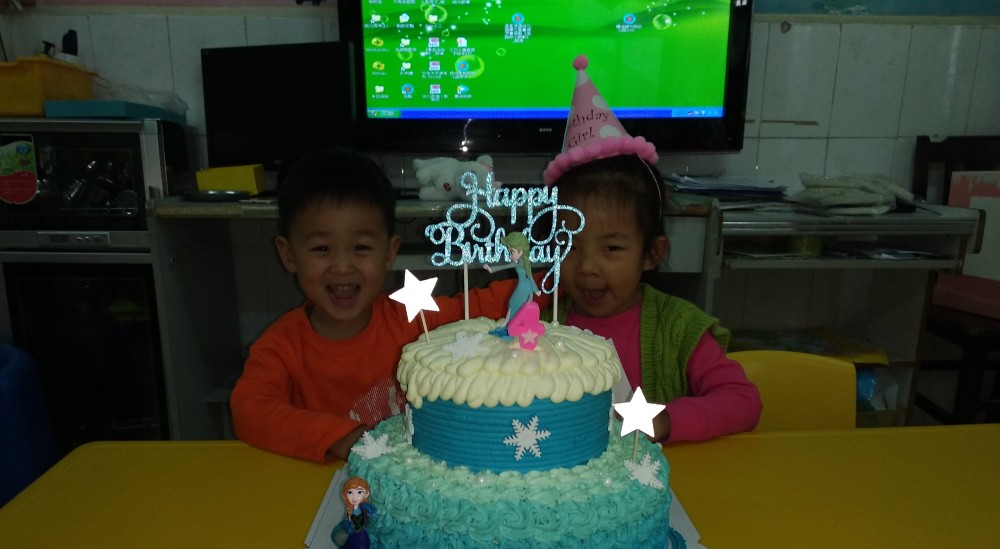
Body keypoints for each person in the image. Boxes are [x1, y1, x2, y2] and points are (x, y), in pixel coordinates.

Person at [230, 147, 518, 463]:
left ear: (389, 253)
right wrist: (340, 437)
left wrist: (548, 280)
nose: (342, 267)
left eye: (361, 247)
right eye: (322, 248)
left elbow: (481, 304)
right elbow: (249, 411)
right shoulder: (280, 346)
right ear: (289, 255)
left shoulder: (410, 318)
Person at [553, 154, 762, 443]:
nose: (587, 267)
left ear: (652, 253)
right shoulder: (540, 323)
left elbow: (743, 401)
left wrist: (666, 421)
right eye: (569, 246)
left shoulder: (679, 327)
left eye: (611, 248)